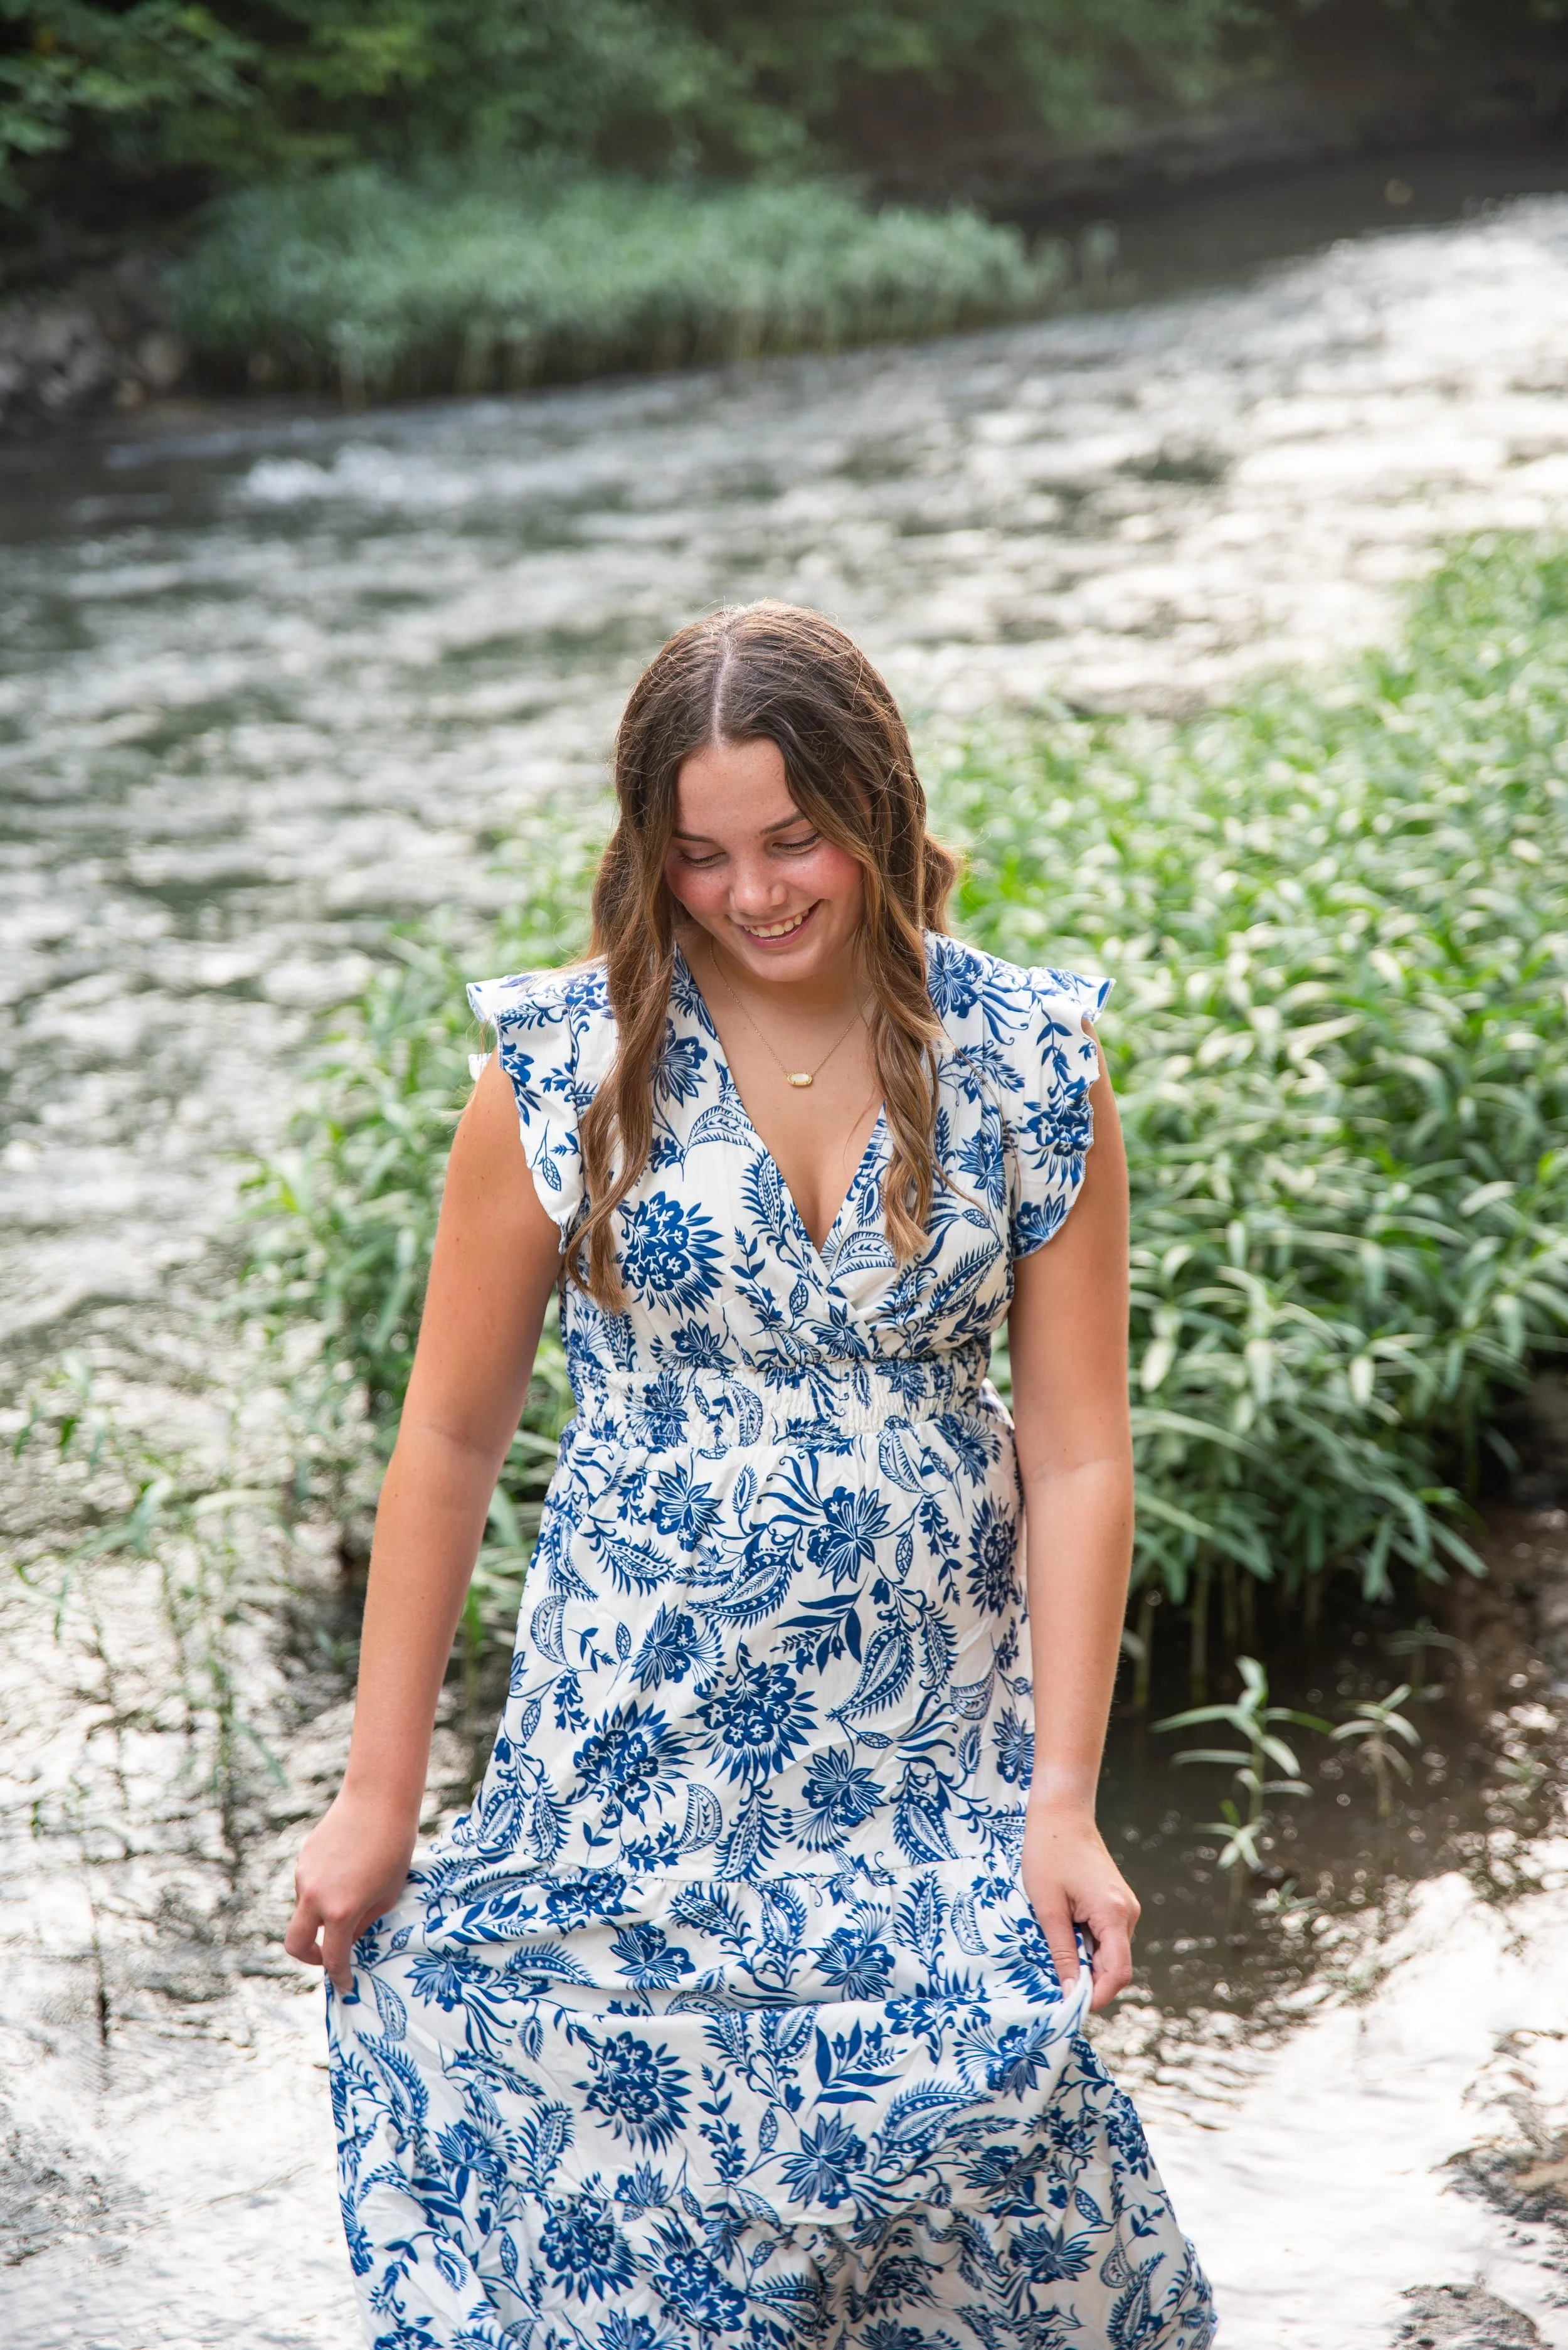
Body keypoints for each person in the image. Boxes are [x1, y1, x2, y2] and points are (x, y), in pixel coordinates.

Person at [286, 602, 1216, 2349]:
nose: (758, 892)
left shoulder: (1026, 1060)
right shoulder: (562, 1073)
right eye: (701, 856)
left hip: (928, 1740)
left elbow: (1080, 1446)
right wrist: (377, 1798)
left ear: (875, 807)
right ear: (649, 855)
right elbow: (449, 1438)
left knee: (989, 2162)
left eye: (795, 839)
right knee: (643, 2190)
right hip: (636, 1739)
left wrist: (1064, 1799)